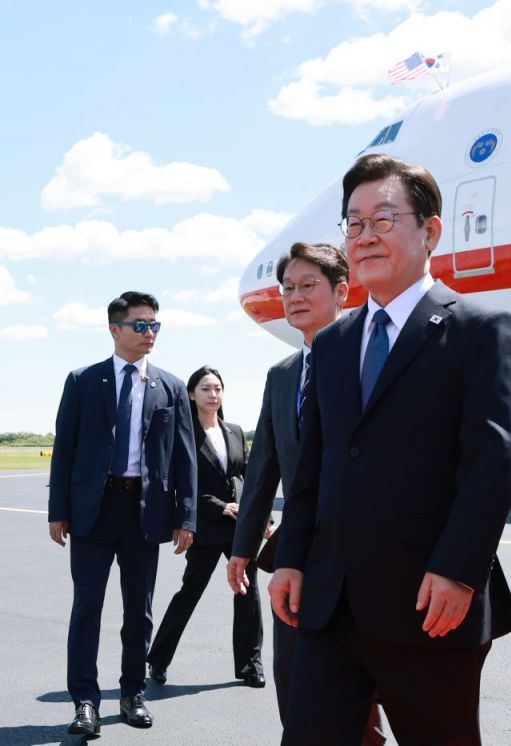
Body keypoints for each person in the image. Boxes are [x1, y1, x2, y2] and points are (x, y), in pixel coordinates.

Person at [269, 153, 511, 746]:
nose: (364, 236)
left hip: (429, 604)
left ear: (430, 231)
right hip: (331, 603)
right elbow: (314, 467)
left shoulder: (481, 329)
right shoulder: (332, 342)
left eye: (383, 219)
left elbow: (491, 463)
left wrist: (459, 570)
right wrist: (291, 557)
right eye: (354, 223)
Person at [225, 242, 393, 743]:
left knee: (364, 694)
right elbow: (263, 467)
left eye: (308, 286)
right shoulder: (282, 375)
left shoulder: (372, 361)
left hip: (365, 557)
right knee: (295, 688)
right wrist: (243, 546)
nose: (295, 297)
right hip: (298, 558)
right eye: (288, 288)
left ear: (342, 292)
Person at [48, 291, 198, 737]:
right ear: (115, 329)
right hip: (93, 512)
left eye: (154, 325)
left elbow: (185, 456)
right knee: (87, 608)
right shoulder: (82, 381)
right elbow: (65, 449)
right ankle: (85, 702)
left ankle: (133, 693)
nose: (149, 332)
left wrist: (186, 516)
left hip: (145, 512)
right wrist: (58, 510)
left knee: (139, 610)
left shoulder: (170, 386)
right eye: (140, 325)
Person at [147, 366, 263, 686]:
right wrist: (219, 506)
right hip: (207, 527)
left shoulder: (235, 431)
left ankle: (250, 665)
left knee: (248, 592)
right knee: (191, 591)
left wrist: (261, 519)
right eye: (205, 389)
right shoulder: (184, 435)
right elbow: (182, 484)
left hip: (239, 528)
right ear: (191, 394)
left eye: (218, 389)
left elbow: (251, 479)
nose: (213, 395)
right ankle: (158, 659)